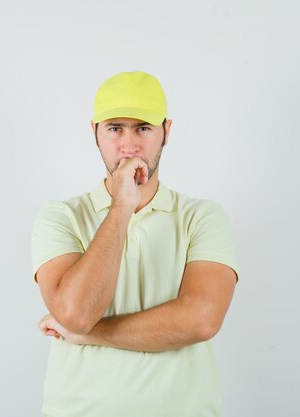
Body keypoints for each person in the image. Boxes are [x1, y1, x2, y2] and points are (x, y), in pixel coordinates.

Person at [30, 70, 239, 417]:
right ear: (95, 132)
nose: (129, 144)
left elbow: (201, 320)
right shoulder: (60, 216)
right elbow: (75, 314)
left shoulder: (202, 217)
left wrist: (91, 335)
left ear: (166, 132)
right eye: (115, 128)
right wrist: (121, 206)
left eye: (143, 127)